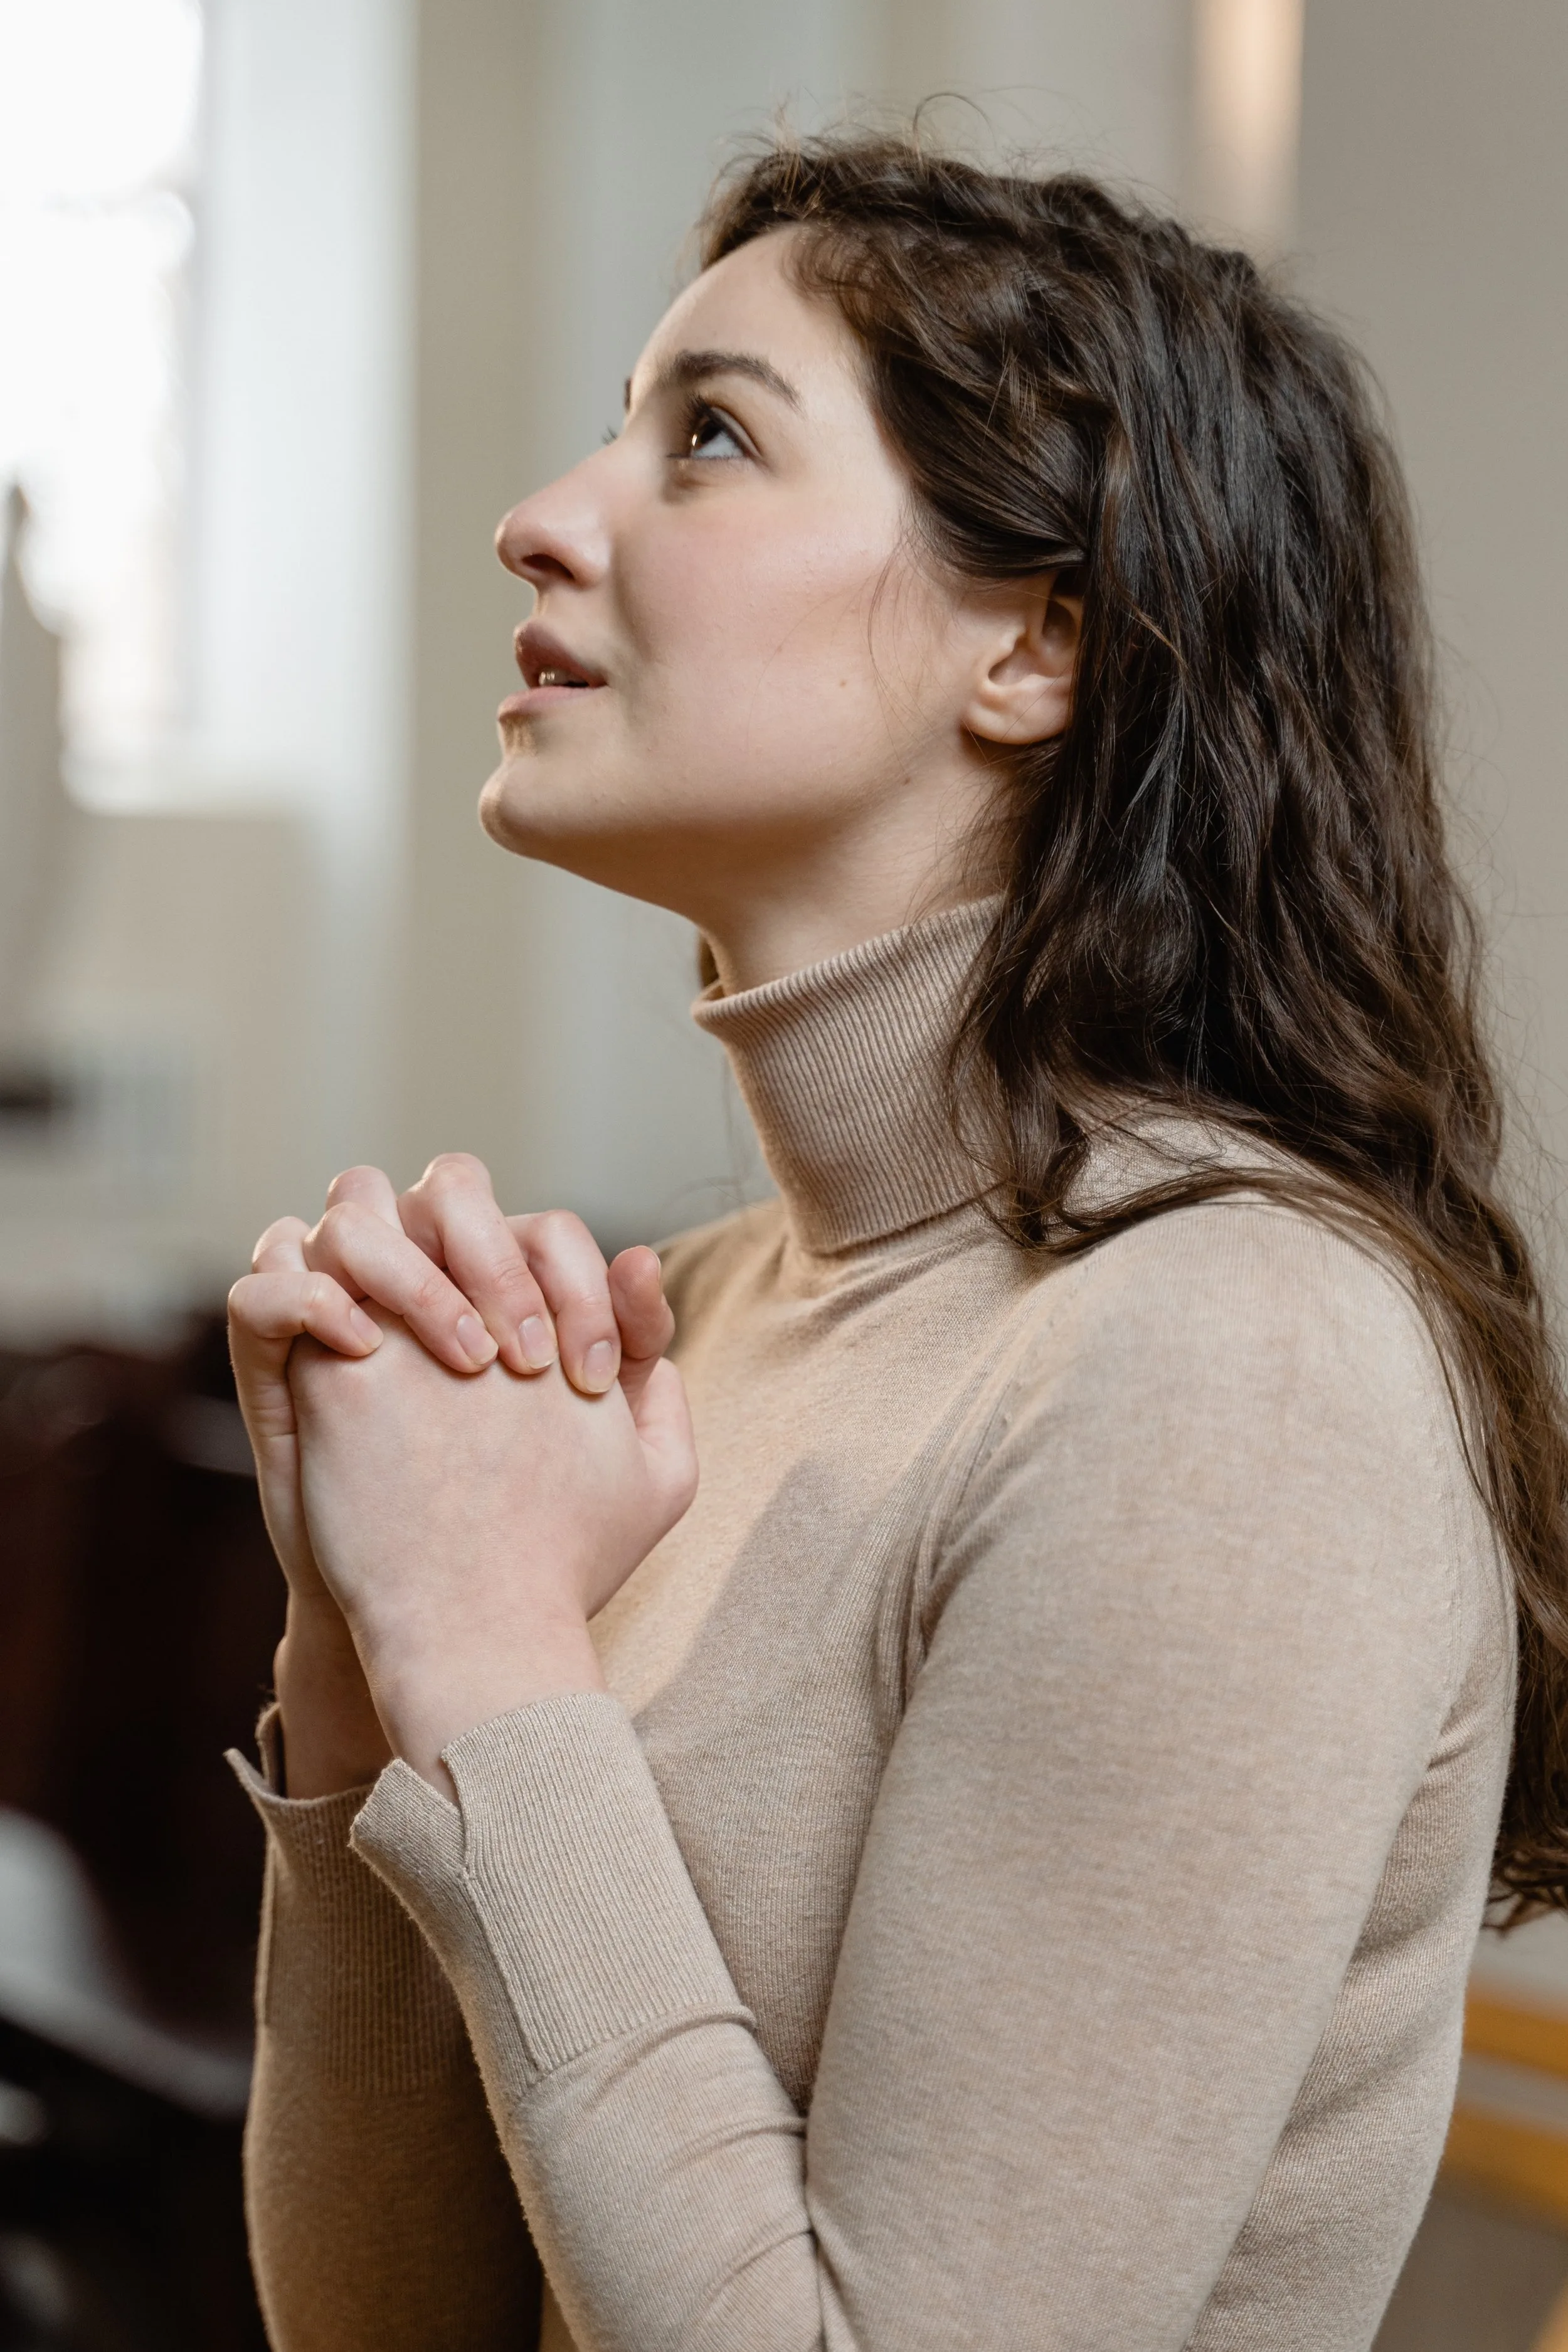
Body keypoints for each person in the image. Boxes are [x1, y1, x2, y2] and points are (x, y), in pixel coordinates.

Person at [225, 136, 1568, 2351]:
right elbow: (384, 2325)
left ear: (1035, 639)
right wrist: (364, 1661)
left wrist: (485, 1643)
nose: (544, 518)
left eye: (713, 437)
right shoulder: (712, 1310)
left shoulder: (1237, 1355)